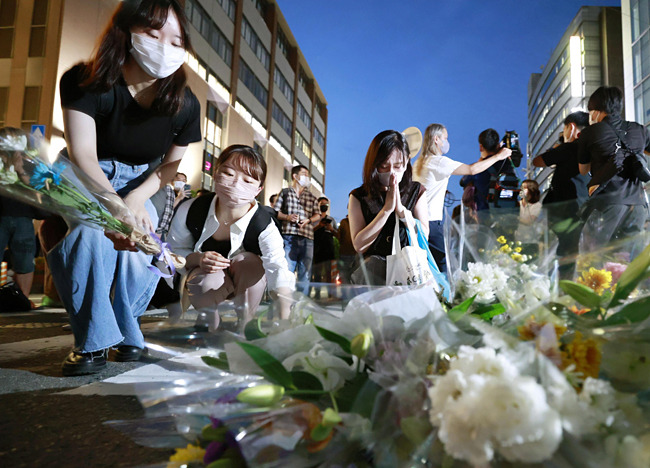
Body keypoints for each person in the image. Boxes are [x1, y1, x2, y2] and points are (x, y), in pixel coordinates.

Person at [46, 0, 201, 376]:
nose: (165, 46)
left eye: (176, 39)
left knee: (140, 244)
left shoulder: (185, 103)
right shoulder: (85, 80)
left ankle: (127, 329)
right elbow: (83, 153)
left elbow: (170, 168)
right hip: (85, 174)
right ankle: (93, 341)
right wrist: (115, 207)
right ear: (126, 31)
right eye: (152, 33)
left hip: (143, 181)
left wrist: (134, 200)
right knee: (89, 233)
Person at [167, 145, 294, 329]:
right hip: (206, 278)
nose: (235, 185)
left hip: (246, 280)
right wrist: (199, 258)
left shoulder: (264, 224)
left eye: (248, 181)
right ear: (216, 173)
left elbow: (277, 268)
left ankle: (245, 325)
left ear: (258, 189)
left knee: (250, 262)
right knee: (206, 279)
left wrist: (285, 322)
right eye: (228, 173)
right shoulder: (191, 209)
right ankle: (208, 321)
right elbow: (172, 250)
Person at [413, 124, 511, 273]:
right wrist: (499, 156)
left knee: (424, 266)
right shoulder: (439, 161)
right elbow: (471, 170)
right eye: (445, 138)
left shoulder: (420, 163)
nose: (447, 142)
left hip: (417, 220)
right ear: (436, 139)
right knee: (445, 268)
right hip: (432, 222)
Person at [348, 130, 429, 285]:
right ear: (374, 165)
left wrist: (401, 210)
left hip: (409, 272)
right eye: (384, 166)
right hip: (372, 277)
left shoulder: (416, 191)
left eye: (398, 166)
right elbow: (359, 245)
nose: (392, 172)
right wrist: (386, 210)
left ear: (407, 162)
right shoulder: (359, 196)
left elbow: (424, 234)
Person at [578, 86, 650, 253]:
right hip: (638, 206)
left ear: (595, 112)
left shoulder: (590, 132)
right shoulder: (639, 129)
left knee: (592, 256)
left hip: (607, 205)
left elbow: (583, 170)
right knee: (627, 262)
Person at [532, 111, 589, 277]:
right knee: (577, 250)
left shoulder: (570, 147)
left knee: (566, 253)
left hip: (566, 209)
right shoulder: (592, 148)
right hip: (584, 207)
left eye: (564, 129)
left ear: (571, 128)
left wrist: (557, 147)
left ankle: (565, 290)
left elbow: (538, 161)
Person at [273, 165, 320, 295]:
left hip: (307, 238)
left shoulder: (311, 197)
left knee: (305, 273)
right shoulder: (285, 192)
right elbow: (275, 212)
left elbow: (318, 215)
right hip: (288, 235)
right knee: (287, 271)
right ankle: (284, 304)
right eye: (304, 174)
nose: (307, 177)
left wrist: (308, 220)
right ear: (295, 176)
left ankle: (300, 306)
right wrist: (287, 217)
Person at [460, 129, 511, 212]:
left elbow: (463, 182)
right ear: (498, 146)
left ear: (481, 147)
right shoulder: (507, 164)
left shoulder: (477, 168)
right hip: (509, 213)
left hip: (485, 215)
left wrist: (481, 160)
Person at [311, 196, 338, 299]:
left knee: (328, 274)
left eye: (326, 205)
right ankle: (317, 294)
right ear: (318, 205)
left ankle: (330, 293)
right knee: (316, 273)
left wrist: (331, 229)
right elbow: (309, 232)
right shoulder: (314, 218)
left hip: (328, 249)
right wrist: (319, 226)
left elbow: (337, 234)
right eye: (322, 204)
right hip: (316, 249)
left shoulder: (331, 219)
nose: (324, 206)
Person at [152, 171, 191, 240]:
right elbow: (167, 210)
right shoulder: (168, 192)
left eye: (184, 181)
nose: (181, 183)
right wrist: (179, 198)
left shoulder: (188, 199)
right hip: (166, 229)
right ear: (172, 182)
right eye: (178, 180)